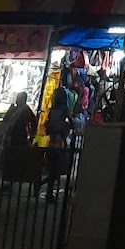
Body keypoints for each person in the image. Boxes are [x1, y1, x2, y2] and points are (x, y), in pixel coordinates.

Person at [44, 74, 75, 203]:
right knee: (58, 168)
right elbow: (71, 122)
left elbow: (48, 123)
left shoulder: (53, 109)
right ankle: (52, 193)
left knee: (52, 169)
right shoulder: (64, 109)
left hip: (51, 141)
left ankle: (49, 191)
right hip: (59, 142)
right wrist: (69, 126)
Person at [0, 90, 37, 185]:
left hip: (19, 137)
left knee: (15, 157)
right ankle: (8, 177)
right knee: (8, 157)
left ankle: (14, 177)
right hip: (10, 136)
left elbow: (33, 122)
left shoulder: (26, 110)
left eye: (19, 98)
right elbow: (6, 120)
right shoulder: (15, 109)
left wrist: (31, 135)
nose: (17, 100)